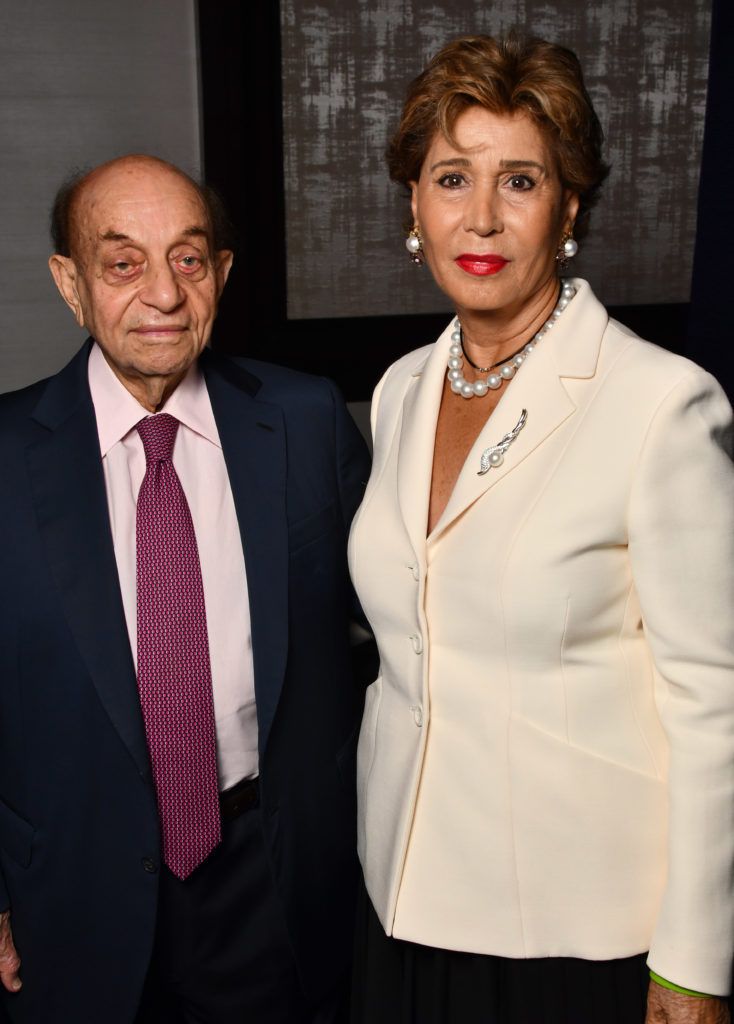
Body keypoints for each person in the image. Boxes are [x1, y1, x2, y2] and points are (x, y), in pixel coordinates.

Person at [348, 32, 734, 1024]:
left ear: (567, 206)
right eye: (450, 178)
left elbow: (713, 702)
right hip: (400, 900)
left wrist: (692, 965)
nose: (479, 217)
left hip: (574, 931)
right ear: (412, 205)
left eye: (517, 180)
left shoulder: (658, 403)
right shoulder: (399, 392)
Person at [0, 154, 370, 1023]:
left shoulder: (307, 421)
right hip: (71, 894)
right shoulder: (5, 458)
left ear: (222, 273)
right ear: (70, 282)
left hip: (275, 883)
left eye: (189, 259)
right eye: (123, 263)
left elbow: (404, 632)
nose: (163, 294)